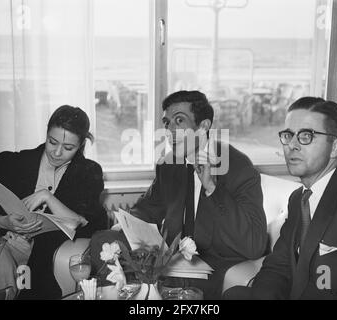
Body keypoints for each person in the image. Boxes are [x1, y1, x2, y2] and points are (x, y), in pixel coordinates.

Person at [90, 90, 268, 299]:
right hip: (172, 258)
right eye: (167, 123)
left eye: (179, 121)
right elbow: (148, 208)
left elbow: (254, 244)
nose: (170, 131)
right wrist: (127, 222)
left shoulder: (237, 166)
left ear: (203, 126)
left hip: (212, 263)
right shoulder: (169, 163)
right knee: (103, 240)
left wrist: (212, 188)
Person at [224, 96, 337, 300]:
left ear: (336, 147)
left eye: (306, 136)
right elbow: (278, 266)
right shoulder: (299, 199)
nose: (292, 145)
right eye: (288, 135)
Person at [0, 105, 107, 299]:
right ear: (46, 134)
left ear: (81, 146)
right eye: (52, 142)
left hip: (42, 256)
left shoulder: (88, 172)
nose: (57, 153)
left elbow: (87, 222)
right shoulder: (9, 163)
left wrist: (47, 197)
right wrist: (3, 222)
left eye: (68, 148)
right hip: (2, 242)